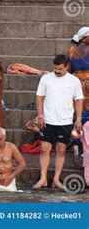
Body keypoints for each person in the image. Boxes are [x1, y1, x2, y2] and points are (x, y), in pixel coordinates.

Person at [33, 55, 83, 189]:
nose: (57, 71)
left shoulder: (74, 81)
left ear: (67, 67)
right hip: (47, 120)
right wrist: (40, 116)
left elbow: (78, 100)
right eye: (55, 68)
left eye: (60, 69)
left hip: (65, 121)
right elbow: (39, 97)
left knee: (61, 150)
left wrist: (78, 119)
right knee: (44, 149)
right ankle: (43, 178)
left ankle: (56, 179)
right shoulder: (46, 78)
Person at [68, 27, 89, 182]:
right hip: (78, 88)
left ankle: (81, 148)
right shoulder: (72, 51)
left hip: (82, 87)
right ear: (84, 38)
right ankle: (78, 148)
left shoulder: (72, 51)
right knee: (79, 117)